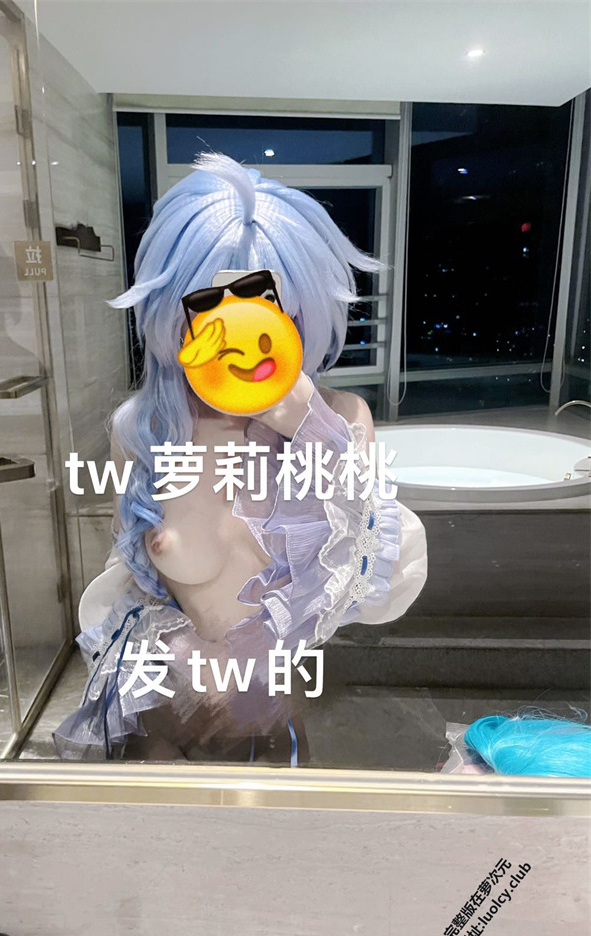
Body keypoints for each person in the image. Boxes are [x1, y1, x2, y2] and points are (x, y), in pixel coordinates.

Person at [54, 154, 427, 764]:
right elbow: (132, 580)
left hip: (276, 712)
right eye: (207, 304)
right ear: (174, 312)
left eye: (263, 302)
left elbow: (372, 587)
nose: (237, 331)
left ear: (299, 309)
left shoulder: (341, 418)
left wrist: (314, 431)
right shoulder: (143, 432)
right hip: (162, 712)